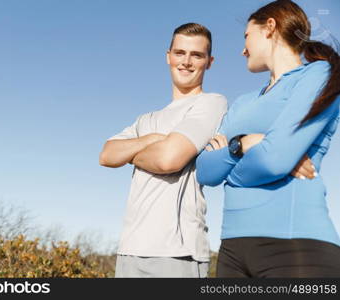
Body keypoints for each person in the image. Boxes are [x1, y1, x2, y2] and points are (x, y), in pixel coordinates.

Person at [196, 0, 340, 277]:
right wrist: (245, 144)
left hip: (294, 243)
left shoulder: (318, 74)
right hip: (231, 250)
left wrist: (232, 163)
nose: (242, 49)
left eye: (246, 36)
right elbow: (204, 171)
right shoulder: (242, 103)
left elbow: (274, 161)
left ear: (270, 27)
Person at [99, 23, 227, 277]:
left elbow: (169, 159)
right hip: (130, 249)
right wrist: (153, 139)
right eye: (180, 53)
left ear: (209, 62)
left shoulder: (211, 103)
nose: (187, 62)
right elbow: (107, 155)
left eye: (197, 55)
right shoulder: (145, 120)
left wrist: (130, 155)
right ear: (168, 56)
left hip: (177, 252)